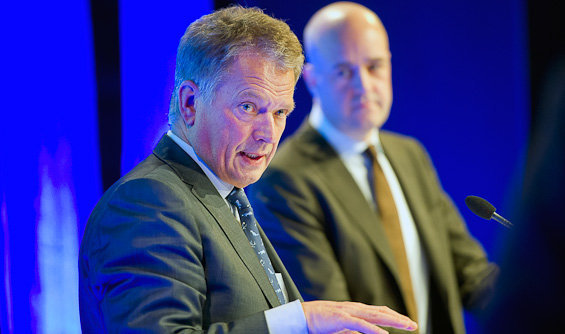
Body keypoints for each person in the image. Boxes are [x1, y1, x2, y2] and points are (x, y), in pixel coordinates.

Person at [79, 5, 418, 334]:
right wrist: (301, 322)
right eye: (248, 107)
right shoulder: (147, 202)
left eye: (280, 113)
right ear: (190, 103)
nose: (267, 134)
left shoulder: (228, 198)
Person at [247, 2, 499, 333]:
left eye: (374, 66)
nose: (364, 86)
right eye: (343, 71)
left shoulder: (410, 155)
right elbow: (335, 319)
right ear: (310, 79)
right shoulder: (284, 179)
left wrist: (539, 295)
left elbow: (470, 273)